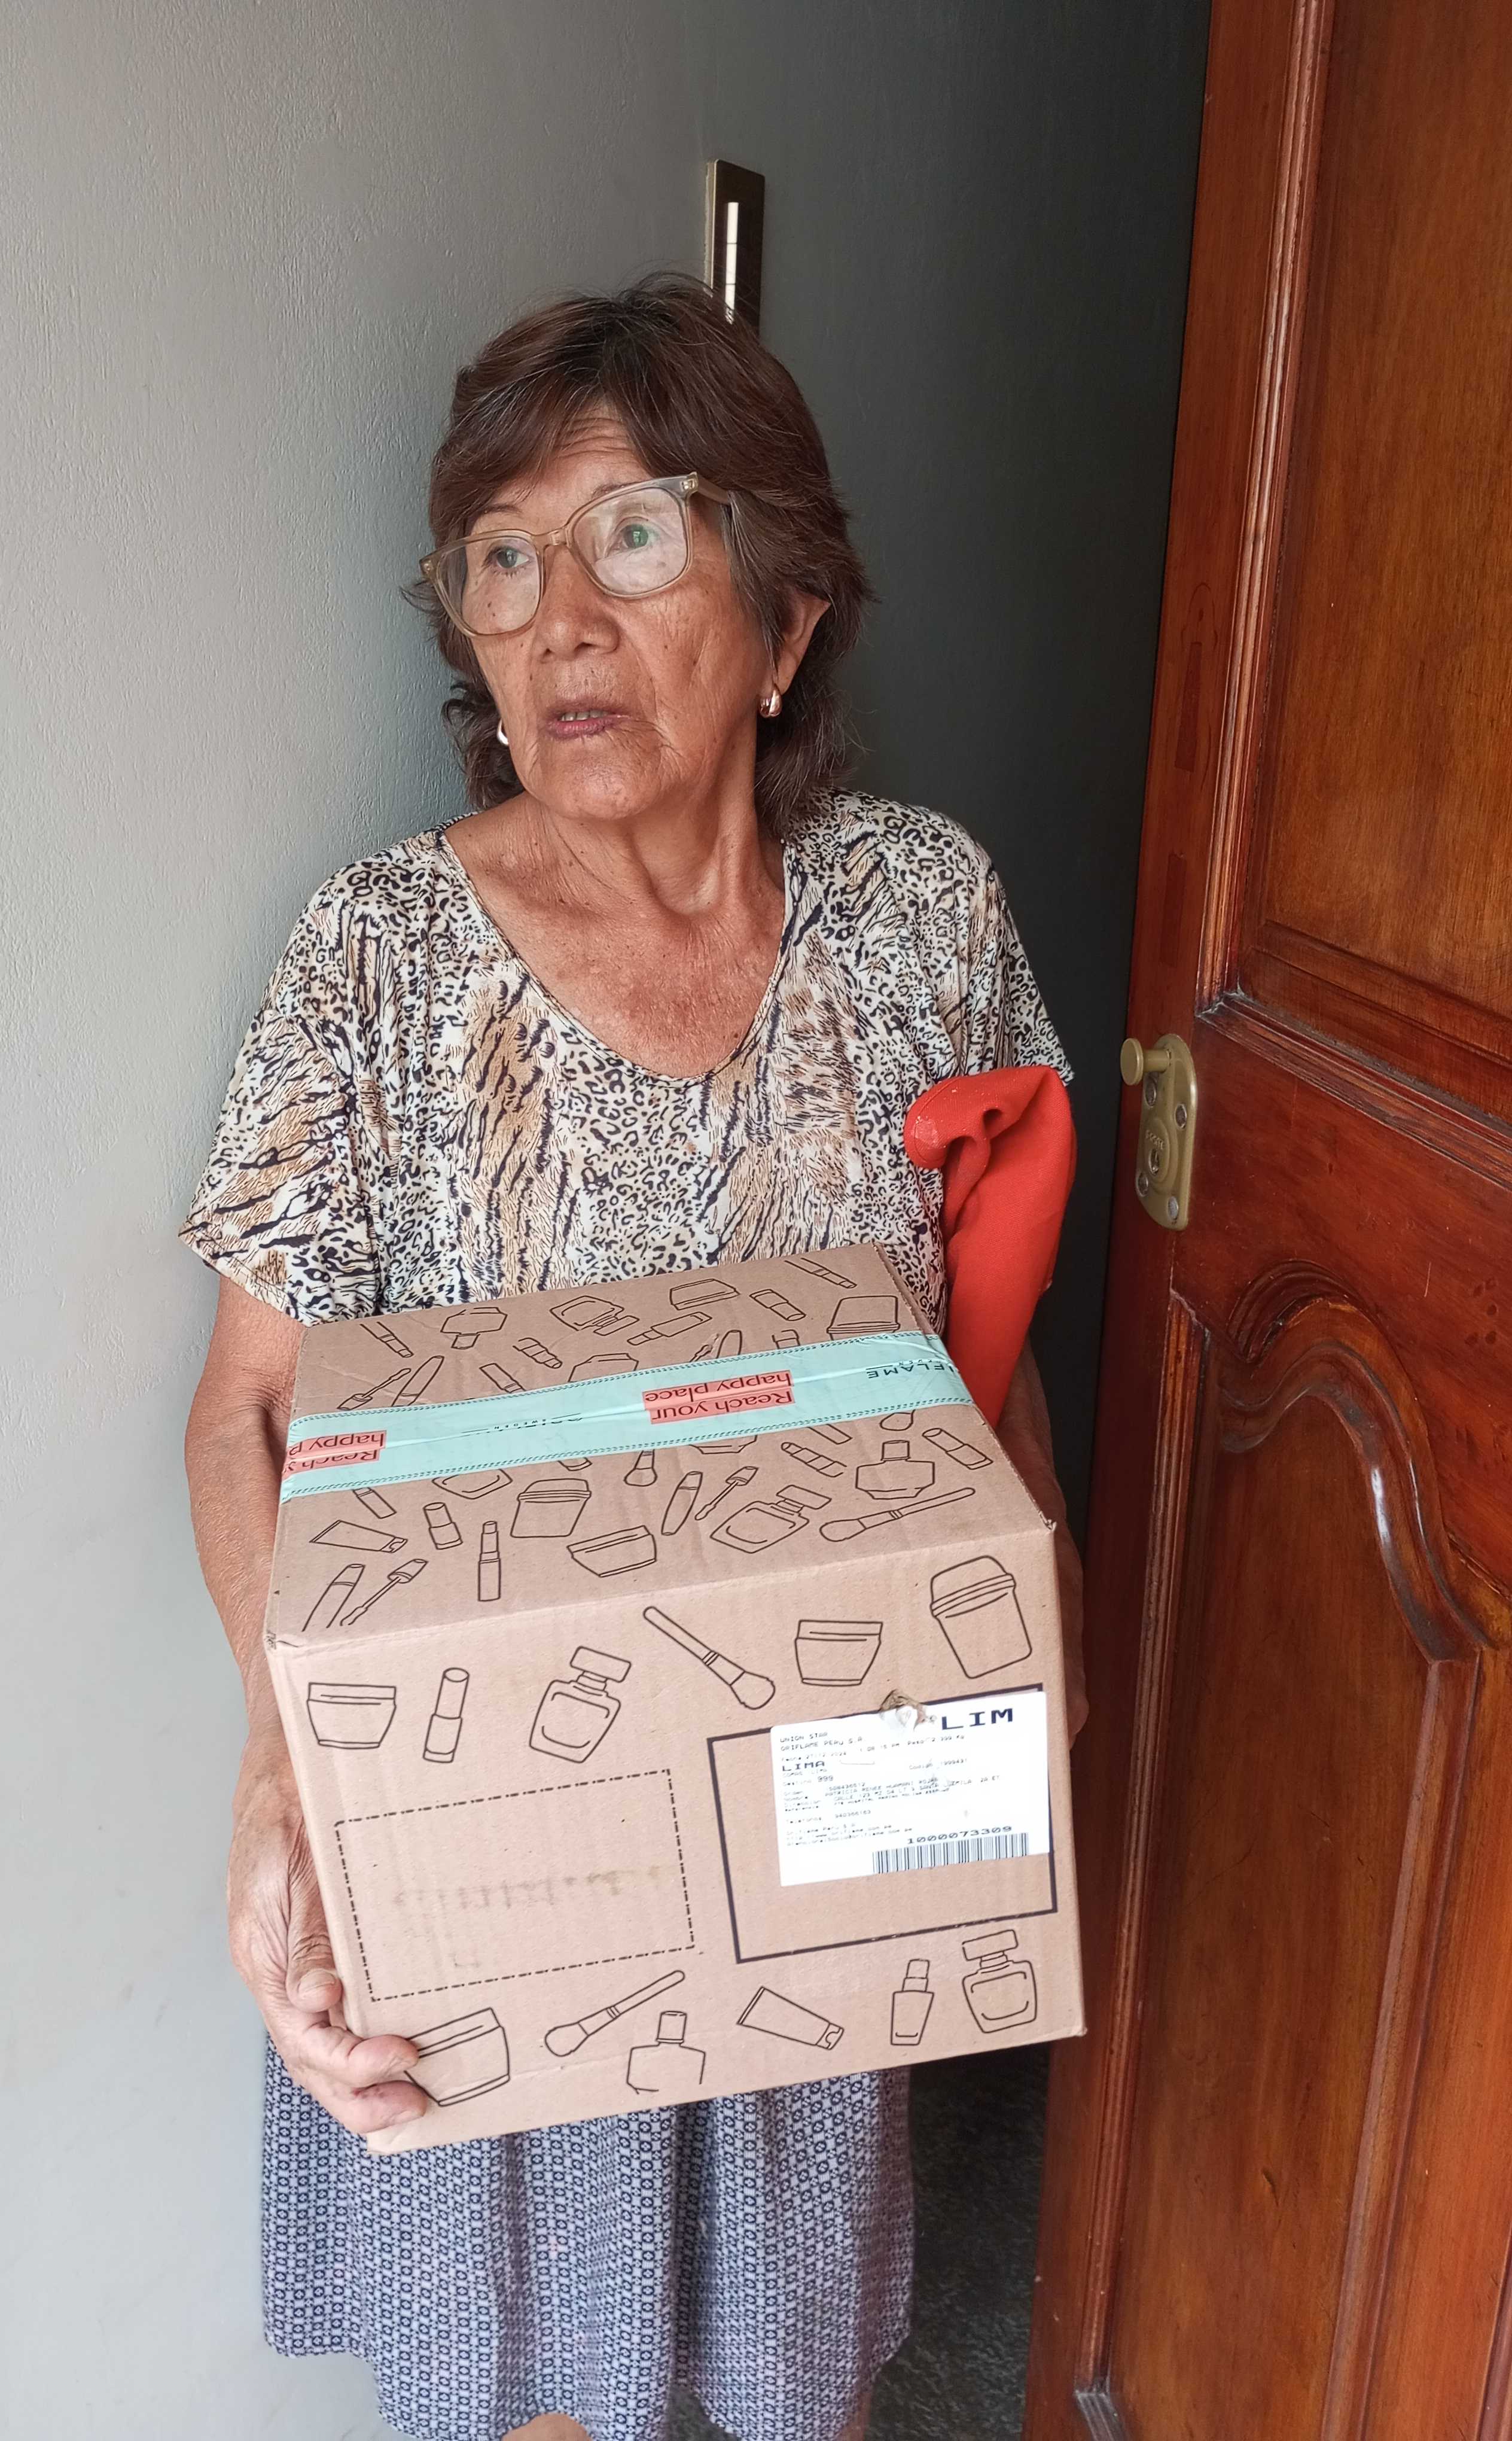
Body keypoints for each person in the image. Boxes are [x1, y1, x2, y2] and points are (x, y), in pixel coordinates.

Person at [182, 273, 1086, 2441]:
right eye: (503, 560)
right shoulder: (376, 959)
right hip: (486, 1825)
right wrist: (290, 1772)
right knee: (529, 2386)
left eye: (635, 535)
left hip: (812, 1812)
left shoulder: (925, 914)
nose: (560, 619)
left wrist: (1023, 1630)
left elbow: (977, 1349)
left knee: (795, 2372)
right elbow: (250, 1406)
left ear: (786, 623)